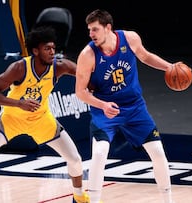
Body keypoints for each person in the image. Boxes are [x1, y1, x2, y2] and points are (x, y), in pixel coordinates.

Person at [0, 26, 89, 203]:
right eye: (47, 49)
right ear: (35, 51)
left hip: (41, 120)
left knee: (75, 158)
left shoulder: (58, 66)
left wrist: (96, 85)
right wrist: (18, 103)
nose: (52, 52)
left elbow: (84, 74)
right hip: (11, 119)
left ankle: (79, 197)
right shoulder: (19, 68)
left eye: (53, 48)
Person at [75, 9, 179, 203]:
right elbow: (80, 92)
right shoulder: (87, 55)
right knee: (99, 153)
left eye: (95, 29)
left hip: (134, 108)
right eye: (89, 30)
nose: (91, 34)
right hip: (105, 110)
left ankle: (168, 200)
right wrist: (103, 105)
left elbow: (146, 56)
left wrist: (169, 67)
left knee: (158, 152)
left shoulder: (129, 39)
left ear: (108, 28)